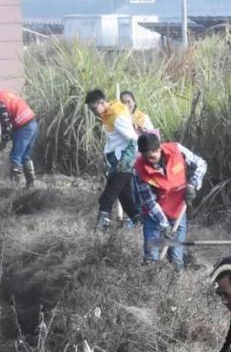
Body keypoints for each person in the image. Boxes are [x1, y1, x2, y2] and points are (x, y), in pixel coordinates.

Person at [133, 132, 207, 267]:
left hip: (178, 212)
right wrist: (164, 224)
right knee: (150, 257)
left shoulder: (177, 150)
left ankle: (175, 283)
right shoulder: (139, 170)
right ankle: (150, 280)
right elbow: (149, 201)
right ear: (142, 154)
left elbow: (201, 164)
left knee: (176, 259)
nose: (153, 157)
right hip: (153, 216)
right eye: (149, 155)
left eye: (155, 151)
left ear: (160, 147)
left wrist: (192, 184)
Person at [85, 88, 142, 231]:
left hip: (122, 164)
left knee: (107, 198)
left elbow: (134, 139)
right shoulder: (109, 113)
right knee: (126, 199)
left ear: (102, 103)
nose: (92, 112)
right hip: (115, 162)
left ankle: (100, 231)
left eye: (93, 108)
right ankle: (141, 224)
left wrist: (125, 162)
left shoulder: (117, 116)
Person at [0, 82, 37, 187]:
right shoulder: (4, 93)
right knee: (25, 156)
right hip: (32, 123)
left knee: (15, 156)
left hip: (23, 127)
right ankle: (30, 184)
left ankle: (15, 186)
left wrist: (4, 141)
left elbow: (5, 123)